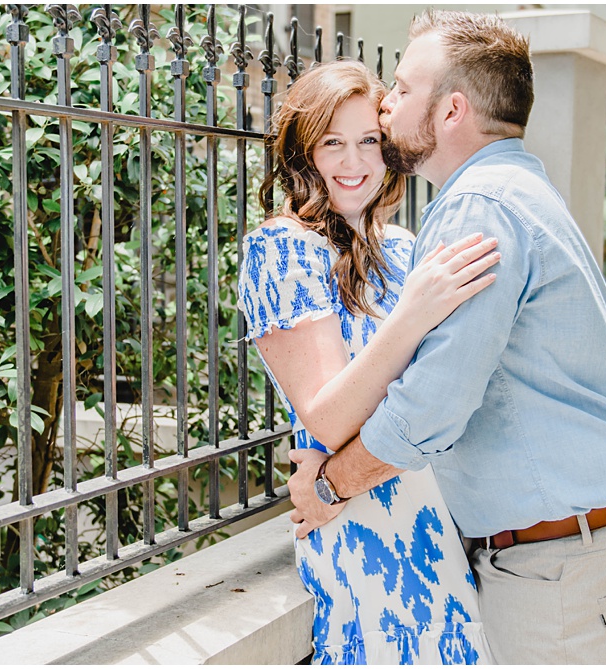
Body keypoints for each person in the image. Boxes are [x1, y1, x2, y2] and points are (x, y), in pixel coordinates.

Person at [286, 10, 606, 666]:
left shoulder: (481, 206)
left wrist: (329, 484)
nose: (388, 101)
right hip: (595, 544)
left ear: (452, 110)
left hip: (565, 566)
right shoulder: (520, 185)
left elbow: (430, 406)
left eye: (405, 88)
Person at [237, 60, 501, 664]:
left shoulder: (406, 249)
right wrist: (414, 314)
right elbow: (329, 418)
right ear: (303, 152)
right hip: (364, 523)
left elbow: (459, 373)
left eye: (368, 141)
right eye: (332, 143)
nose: (353, 163)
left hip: (449, 514)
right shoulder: (281, 250)